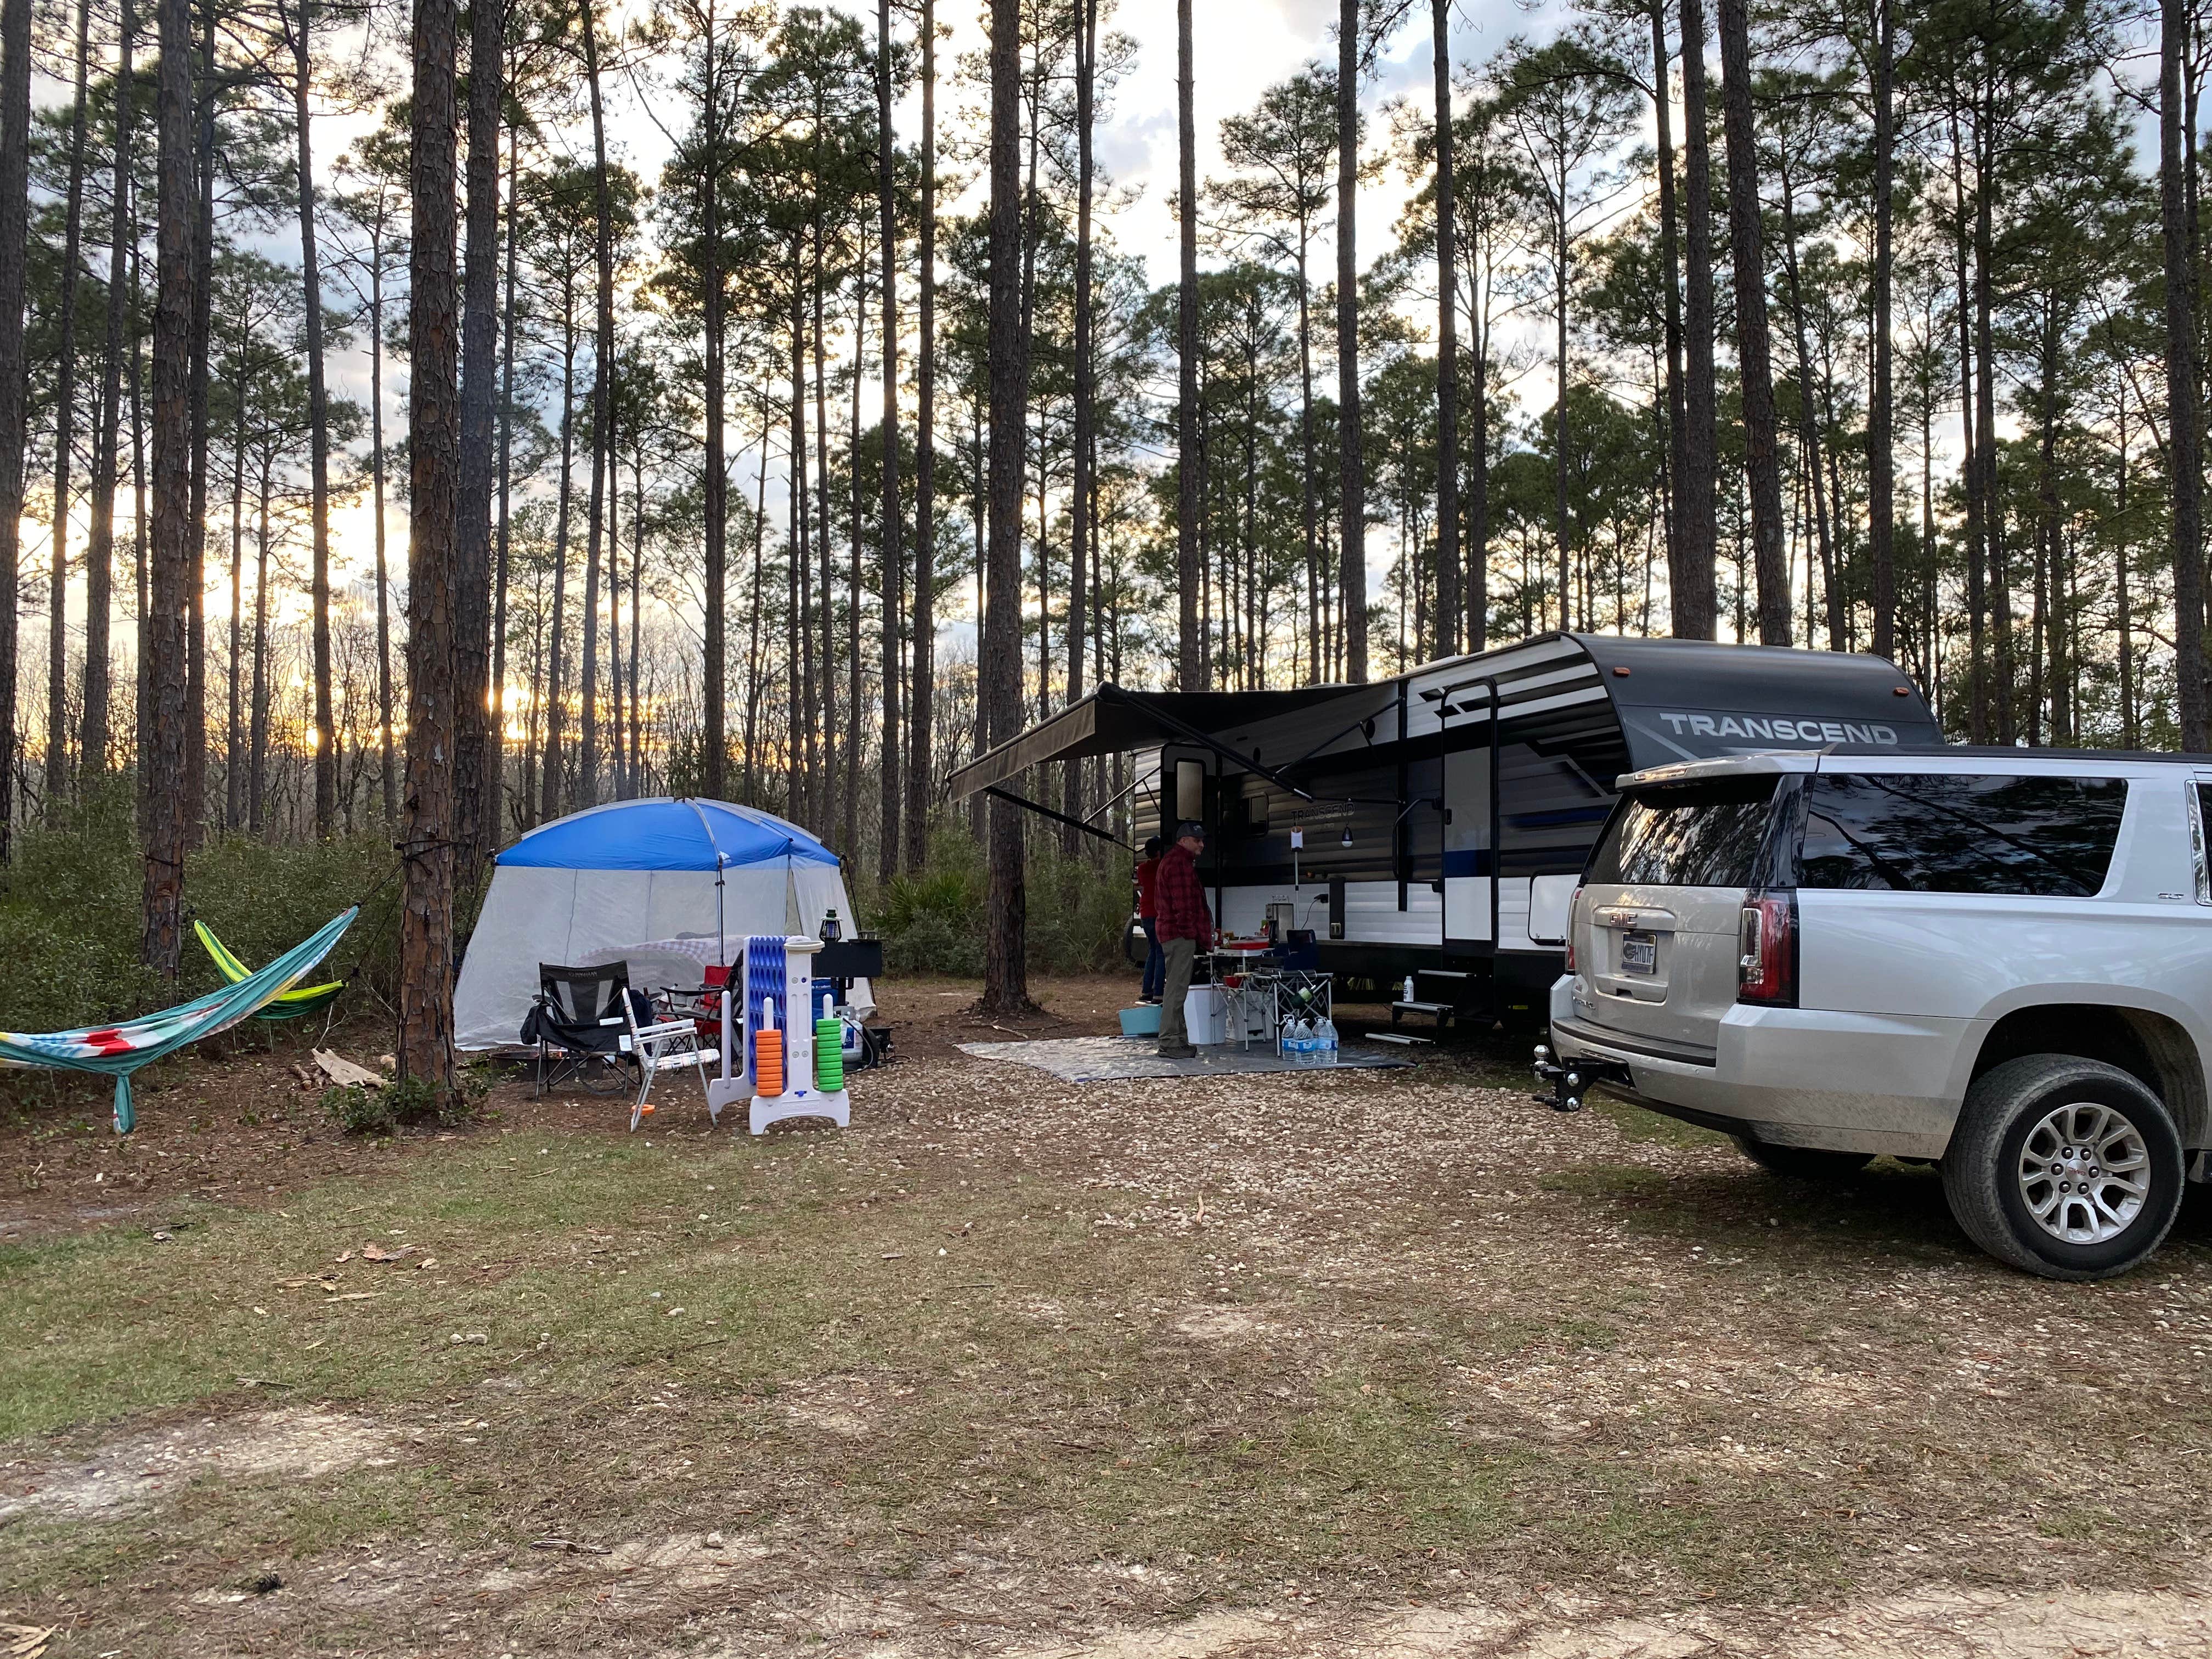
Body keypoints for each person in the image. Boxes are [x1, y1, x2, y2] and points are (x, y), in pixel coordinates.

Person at [1153, 821, 1214, 1059]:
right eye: (1197, 840)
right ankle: (1169, 1042)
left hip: (1174, 934)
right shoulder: (1179, 865)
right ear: (1183, 841)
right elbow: (1183, 905)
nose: (1202, 844)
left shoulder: (1178, 862)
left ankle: (1178, 1040)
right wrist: (1191, 933)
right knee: (1176, 991)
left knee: (1177, 989)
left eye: (1202, 840)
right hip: (1178, 935)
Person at [1133, 837, 1165, 1004]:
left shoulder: (1142, 868)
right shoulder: (1162, 865)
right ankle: (1159, 992)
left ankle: (1147, 990)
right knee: (1161, 953)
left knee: (1153, 951)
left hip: (1146, 913)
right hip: (1159, 913)